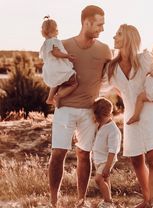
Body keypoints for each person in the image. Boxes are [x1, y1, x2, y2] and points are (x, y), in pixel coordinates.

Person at [48, 5, 112, 208]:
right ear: (86, 22)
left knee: (85, 154)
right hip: (64, 109)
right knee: (58, 154)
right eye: (99, 24)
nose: (102, 29)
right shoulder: (64, 46)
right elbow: (52, 72)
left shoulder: (104, 50)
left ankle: (81, 201)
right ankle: (53, 202)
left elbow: (112, 74)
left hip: (88, 111)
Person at [107, 24, 153, 208]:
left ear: (128, 38)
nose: (114, 37)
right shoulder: (112, 67)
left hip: (151, 112)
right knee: (136, 159)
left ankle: (150, 202)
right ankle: (146, 198)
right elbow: (113, 88)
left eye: (118, 34)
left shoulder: (145, 59)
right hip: (131, 114)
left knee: (152, 158)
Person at [40, 16, 78, 108]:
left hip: (50, 68)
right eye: (57, 30)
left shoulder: (45, 43)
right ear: (52, 31)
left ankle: (49, 98)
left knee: (56, 83)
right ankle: (58, 96)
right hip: (57, 67)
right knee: (74, 82)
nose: (58, 32)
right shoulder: (54, 41)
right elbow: (55, 53)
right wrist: (67, 56)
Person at [92, 97, 121, 208]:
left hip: (106, 159)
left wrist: (108, 167)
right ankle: (108, 201)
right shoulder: (101, 125)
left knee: (98, 179)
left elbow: (112, 150)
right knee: (105, 179)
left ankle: (108, 202)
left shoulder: (113, 130)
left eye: (97, 116)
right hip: (99, 159)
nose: (95, 119)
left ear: (103, 115)